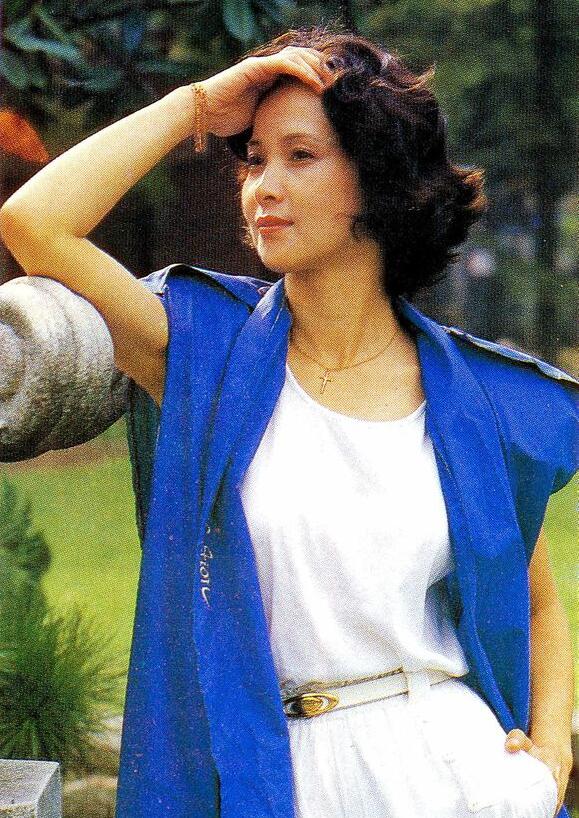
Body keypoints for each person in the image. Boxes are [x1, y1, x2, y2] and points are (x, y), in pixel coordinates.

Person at [0, 23, 576, 818]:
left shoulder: (473, 398)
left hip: (454, 775)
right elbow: (34, 223)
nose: (261, 187)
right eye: (253, 159)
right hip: (272, 773)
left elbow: (537, 602)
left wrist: (549, 754)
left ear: (375, 182)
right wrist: (196, 104)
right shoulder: (205, 354)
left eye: (299, 156)